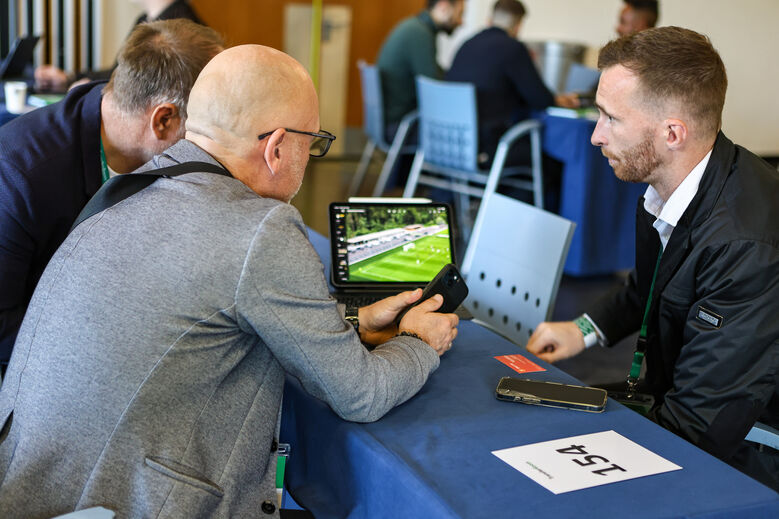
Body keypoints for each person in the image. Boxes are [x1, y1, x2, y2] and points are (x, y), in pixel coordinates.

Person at [0, 44, 459, 517]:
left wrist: (351, 320)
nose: (312, 155)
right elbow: (362, 394)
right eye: (314, 141)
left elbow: (199, 311)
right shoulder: (260, 229)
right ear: (277, 146)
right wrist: (417, 340)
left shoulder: (126, 188)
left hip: (37, 487)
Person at [526, 27, 778, 490]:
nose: (596, 136)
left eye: (610, 118)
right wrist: (582, 331)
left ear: (672, 133)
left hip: (747, 451)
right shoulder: (669, 187)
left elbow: (700, 427)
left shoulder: (745, 247)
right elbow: (650, 288)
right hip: (679, 407)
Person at [0, 19, 223, 369]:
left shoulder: (144, 130)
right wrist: (121, 342)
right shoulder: (20, 176)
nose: (215, 139)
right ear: (163, 120)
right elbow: (3, 329)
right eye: (207, 121)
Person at [446, 0, 578, 165]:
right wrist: (556, 99)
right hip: (488, 149)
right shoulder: (514, 48)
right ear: (518, 25)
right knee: (556, 161)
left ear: (490, 19)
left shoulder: (466, 44)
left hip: (450, 144)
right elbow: (540, 100)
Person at [35, 0, 204, 91]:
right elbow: (119, 71)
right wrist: (69, 78)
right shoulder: (146, 19)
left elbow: (144, 87)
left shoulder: (178, 29)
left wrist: (91, 89)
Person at [377, 0, 465, 132]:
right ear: (443, 6)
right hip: (402, 125)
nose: (461, 22)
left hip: (391, 120)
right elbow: (434, 88)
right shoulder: (420, 34)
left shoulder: (413, 26)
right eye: (460, 14)